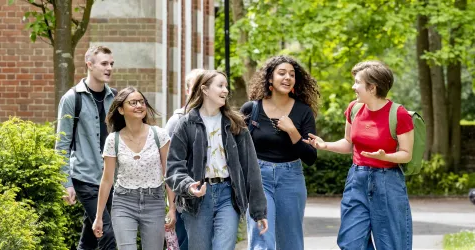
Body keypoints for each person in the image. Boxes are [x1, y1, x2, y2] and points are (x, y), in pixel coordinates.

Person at [304, 60, 414, 250]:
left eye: (357, 82)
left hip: (387, 182)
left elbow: (406, 154)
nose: (353, 87)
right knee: (351, 242)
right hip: (357, 179)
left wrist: (385, 157)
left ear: (372, 87)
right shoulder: (354, 109)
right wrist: (324, 145)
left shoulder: (399, 114)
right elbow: (348, 143)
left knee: (392, 244)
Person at [165, 70, 268, 250]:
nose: (226, 90)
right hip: (196, 199)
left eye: (226, 86)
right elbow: (174, 167)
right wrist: (188, 185)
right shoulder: (186, 123)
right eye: (220, 85)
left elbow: (251, 168)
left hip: (228, 195)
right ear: (204, 89)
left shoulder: (235, 124)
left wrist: (259, 211)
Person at [240, 55, 320, 250]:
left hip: (291, 179)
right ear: (270, 79)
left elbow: (311, 157)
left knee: (290, 242)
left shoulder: (303, 111)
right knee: (262, 238)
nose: (287, 78)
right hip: (259, 179)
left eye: (292, 74)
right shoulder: (252, 109)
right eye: (282, 73)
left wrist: (292, 131)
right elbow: (238, 148)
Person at [92, 86, 176, 250]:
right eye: (133, 102)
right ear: (121, 110)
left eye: (142, 102)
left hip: (154, 202)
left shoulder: (159, 135)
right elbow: (107, 180)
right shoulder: (113, 140)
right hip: (124, 202)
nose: (139, 106)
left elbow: (169, 174)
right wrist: (99, 216)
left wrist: (172, 208)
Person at [55, 45, 117, 250]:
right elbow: (62, 144)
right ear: (89, 65)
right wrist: (66, 182)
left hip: (110, 179)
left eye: (111, 64)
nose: (109, 68)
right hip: (85, 178)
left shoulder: (116, 98)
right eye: (104, 63)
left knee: (90, 238)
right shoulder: (72, 98)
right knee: (108, 235)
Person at [164, 68, 203, 250]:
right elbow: (168, 165)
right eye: (196, 86)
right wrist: (171, 206)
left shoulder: (217, 120)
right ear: (187, 91)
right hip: (184, 200)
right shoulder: (177, 121)